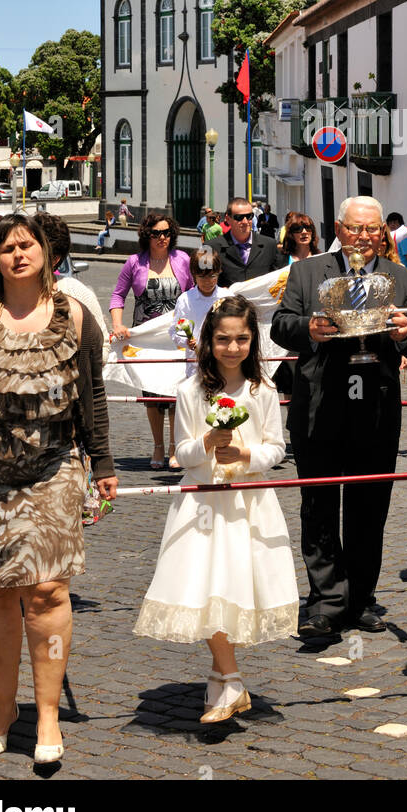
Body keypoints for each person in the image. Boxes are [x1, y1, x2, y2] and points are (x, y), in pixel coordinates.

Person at [0, 214, 116, 763]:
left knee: (49, 592)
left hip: (52, 468)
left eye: (26, 244)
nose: (16, 255)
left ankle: (48, 715)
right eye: (5, 248)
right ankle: (3, 710)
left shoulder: (76, 317)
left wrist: (102, 461)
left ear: (46, 252)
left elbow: (94, 396)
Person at [134, 295, 299, 722]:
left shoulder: (263, 390)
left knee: (229, 588)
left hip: (247, 501)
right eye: (223, 339)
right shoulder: (190, 391)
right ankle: (229, 678)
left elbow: (277, 448)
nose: (232, 348)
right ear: (209, 340)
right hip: (203, 500)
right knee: (204, 588)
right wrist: (207, 443)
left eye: (242, 339)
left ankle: (222, 679)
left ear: (252, 341)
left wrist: (246, 457)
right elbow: (183, 454)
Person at [271, 196, 407, 638]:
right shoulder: (305, 272)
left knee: (368, 507)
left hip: (375, 408)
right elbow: (280, 325)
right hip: (319, 405)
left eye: (371, 230)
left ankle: (359, 599)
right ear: (338, 230)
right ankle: (326, 602)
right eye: (354, 229)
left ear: (382, 233)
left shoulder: (405, 280)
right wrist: (308, 329)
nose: (362, 237)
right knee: (318, 506)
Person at [109, 211, 193, 469]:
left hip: (176, 337)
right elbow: (118, 297)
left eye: (166, 233)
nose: (162, 238)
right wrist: (117, 325)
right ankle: (157, 445)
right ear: (147, 235)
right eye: (156, 233)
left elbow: (193, 295)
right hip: (146, 339)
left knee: (177, 393)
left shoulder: (183, 259)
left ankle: (174, 446)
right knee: (153, 394)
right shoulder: (134, 262)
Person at [32, 212, 108, 342]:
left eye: (28, 246)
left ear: (54, 259)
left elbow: (102, 345)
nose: (19, 254)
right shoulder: (2, 294)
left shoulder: (76, 293)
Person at [170, 248, 225, 375]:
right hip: (196, 366)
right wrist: (186, 341)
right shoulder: (185, 300)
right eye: (202, 277)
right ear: (193, 274)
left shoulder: (227, 297)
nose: (207, 281)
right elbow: (174, 331)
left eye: (212, 276)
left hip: (223, 364)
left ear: (219, 272)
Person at [210, 196, 286, 287]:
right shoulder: (210, 248)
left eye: (249, 216)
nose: (245, 222)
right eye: (239, 217)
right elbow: (202, 282)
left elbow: (280, 281)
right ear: (228, 218)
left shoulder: (270, 245)